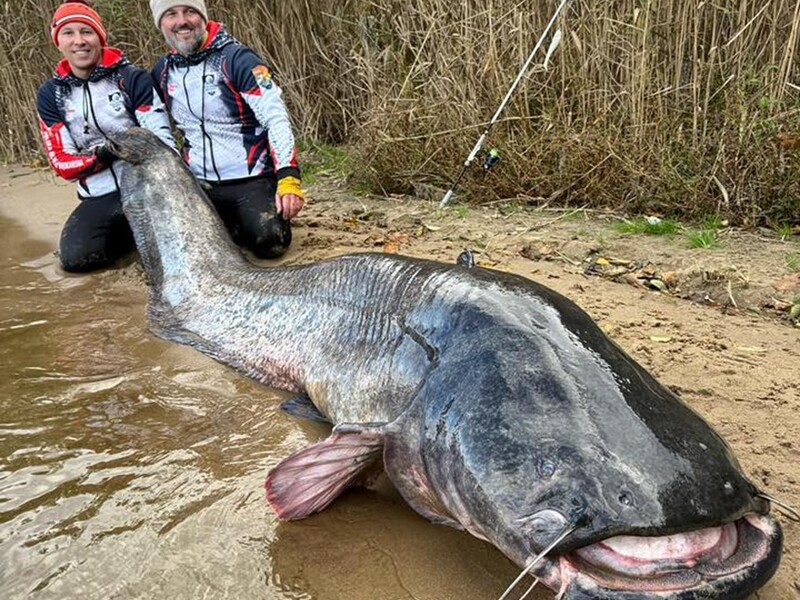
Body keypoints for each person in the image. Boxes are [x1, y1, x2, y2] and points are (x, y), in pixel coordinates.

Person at [150, 1, 304, 259]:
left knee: (271, 243)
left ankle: (241, 221)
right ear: (161, 24)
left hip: (251, 177)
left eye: (190, 11)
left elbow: (275, 118)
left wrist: (288, 178)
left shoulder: (238, 59)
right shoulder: (162, 71)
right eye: (171, 14)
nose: (182, 21)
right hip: (199, 182)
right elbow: (152, 127)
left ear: (202, 16)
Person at [37, 0, 176, 273]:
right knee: (76, 260)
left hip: (146, 189)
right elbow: (62, 163)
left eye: (87, 32)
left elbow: (163, 144)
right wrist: (103, 155)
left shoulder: (131, 78)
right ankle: (127, 240)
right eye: (69, 33)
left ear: (100, 36)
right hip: (99, 196)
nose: (79, 41)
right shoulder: (50, 94)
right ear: (58, 42)